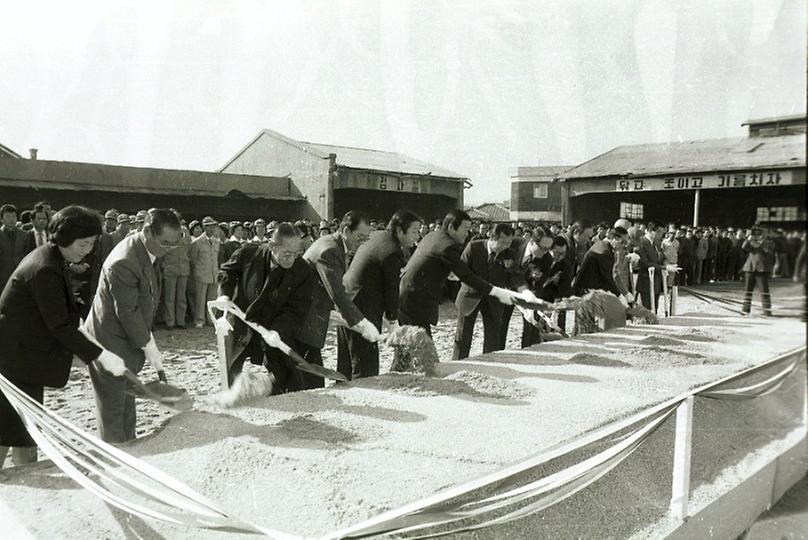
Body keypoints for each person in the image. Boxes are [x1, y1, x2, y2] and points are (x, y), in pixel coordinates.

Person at [0, 206, 126, 467]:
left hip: (21, 356)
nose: (88, 250)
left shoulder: (52, 258)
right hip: (13, 358)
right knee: (13, 427)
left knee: (21, 429)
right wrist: (100, 355)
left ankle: (26, 473)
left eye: (92, 244)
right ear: (64, 237)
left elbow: (63, 314)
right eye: (83, 244)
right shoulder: (45, 267)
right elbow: (59, 326)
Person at [85, 209, 182, 443]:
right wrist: (148, 344)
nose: (169, 249)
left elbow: (143, 300)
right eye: (166, 243)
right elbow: (127, 312)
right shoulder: (124, 261)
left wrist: (148, 341)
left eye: (175, 244)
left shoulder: (145, 247)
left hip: (126, 338)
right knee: (113, 410)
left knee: (126, 403)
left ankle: (129, 447)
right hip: (108, 341)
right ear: (148, 231)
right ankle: (115, 459)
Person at [215, 223, 313, 391]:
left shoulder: (302, 269)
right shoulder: (248, 253)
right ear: (272, 246)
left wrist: (278, 331)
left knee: (286, 376)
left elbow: (297, 308)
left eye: (296, 254)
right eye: (287, 254)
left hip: (274, 324)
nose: (291, 259)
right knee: (231, 368)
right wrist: (224, 295)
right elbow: (227, 273)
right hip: (242, 318)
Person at [399, 209, 521, 336]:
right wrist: (496, 291)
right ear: (452, 227)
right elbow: (466, 275)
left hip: (407, 295)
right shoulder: (448, 245)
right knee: (420, 346)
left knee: (407, 345)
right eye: (465, 228)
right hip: (416, 300)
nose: (467, 233)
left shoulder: (433, 236)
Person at [294, 211, 379, 390]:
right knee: (309, 375)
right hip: (302, 315)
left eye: (367, 237)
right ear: (346, 231)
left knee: (310, 369)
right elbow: (337, 294)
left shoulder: (338, 245)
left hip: (312, 312)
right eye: (360, 236)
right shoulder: (330, 249)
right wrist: (363, 324)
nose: (363, 241)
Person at [336, 210, 422, 380]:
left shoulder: (377, 236)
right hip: (363, 308)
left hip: (347, 298)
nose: (417, 236)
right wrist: (392, 320)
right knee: (365, 368)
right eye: (414, 231)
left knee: (345, 363)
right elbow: (392, 289)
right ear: (399, 230)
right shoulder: (392, 251)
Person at [453, 223, 526, 359]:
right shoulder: (473, 247)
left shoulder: (510, 254)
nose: (507, 245)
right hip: (470, 296)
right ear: (492, 238)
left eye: (509, 242)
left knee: (493, 336)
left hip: (494, 299)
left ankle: (489, 362)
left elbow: (515, 277)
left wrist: (523, 291)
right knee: (463, 335)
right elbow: (461, 271)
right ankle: (458, 362)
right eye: (503, 242)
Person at [573, 226, 632, 301]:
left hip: (590, 290)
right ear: (614, 238)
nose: (624, 246)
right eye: (623, 242)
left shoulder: (605, 246)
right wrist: (620, 295)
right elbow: (608, 277)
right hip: (585, 292)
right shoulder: (604, 252)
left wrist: (624, 293)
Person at [161, 212, 192, 329]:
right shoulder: (165, 232)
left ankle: (181, 321)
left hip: (183, 268)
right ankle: (170, 322)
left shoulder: (185, 232)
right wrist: (165, 265)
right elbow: (162, 252)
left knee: (181, 297)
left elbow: (189, 248)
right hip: (170, 268)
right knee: (169, 297)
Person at [189, 216, 220, 327]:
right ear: (204, 228)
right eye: (209, 227)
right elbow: (193, 260)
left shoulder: (216, 242)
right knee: (200, 299)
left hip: (213, 274)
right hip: (201, 274)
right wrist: (198, 271)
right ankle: (199, 320)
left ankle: (210, 319)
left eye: (213, 227)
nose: (212, 229)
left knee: (212, 298)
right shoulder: (197, 243)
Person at [741, 227, 774, 316]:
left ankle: (767, 310)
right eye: (755, 233)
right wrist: (749, 239)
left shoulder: (768, 242)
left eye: (759, 233)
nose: (757, 235)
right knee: (748, 290)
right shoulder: (751, 242)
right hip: (750, 268)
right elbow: (744, 247)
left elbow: (767, 250)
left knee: (764, 290)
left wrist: (761, 241)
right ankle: (746, 309)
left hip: (762, 269)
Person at [0, 204, 35, 290]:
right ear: (1, 219)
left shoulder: (24, 235)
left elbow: (27, 255)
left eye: (13, 216)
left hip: (19, 274)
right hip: (2, 274)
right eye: (8, 217)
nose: (11, 219)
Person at [634, 221, 664, 313]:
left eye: (662, 232)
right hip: (646, 281)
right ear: (650, 231)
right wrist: (663, 267)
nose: (660, 235)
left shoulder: (656, 244)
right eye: (659, 232)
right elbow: (644, 263)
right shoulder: (641, 242)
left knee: (654, 308)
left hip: (656, 281)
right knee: (646, 309)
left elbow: (661, 257)